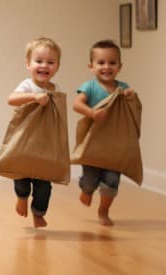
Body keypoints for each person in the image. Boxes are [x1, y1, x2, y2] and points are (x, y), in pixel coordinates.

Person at [73, 40, 136, 226]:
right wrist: (92, 112)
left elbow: (130, 106)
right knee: (91, 179)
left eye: (112, 63)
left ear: (120, 66)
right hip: (93, 143)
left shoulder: (122, 88)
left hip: (114, 145)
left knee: (111, 181)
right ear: (91, 66)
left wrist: (130, 96)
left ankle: (104, 210)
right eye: (101, 63)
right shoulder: (89, 87)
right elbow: (77, 104)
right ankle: (86, 189)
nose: (106, 67)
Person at [6, 37, 61, 228]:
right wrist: (34, 97)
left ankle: (38, 212)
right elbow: (11, 99)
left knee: (44, 185)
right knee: (21, 175)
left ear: (57, 66)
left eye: (50, 62)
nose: (44, 65)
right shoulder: (27, 85)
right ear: (28, 64)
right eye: (39, 61)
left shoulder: (55, 89)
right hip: (25, 140)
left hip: (45, 143)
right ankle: (22, 197)